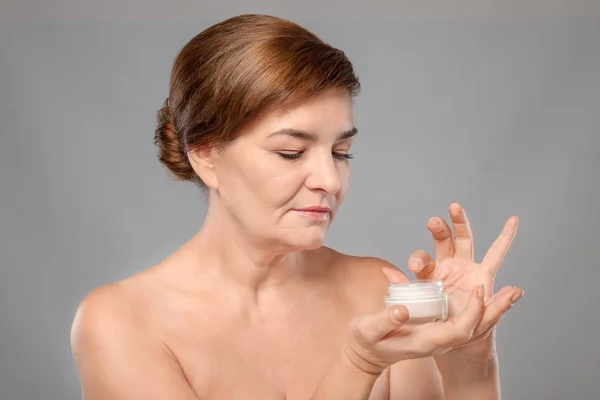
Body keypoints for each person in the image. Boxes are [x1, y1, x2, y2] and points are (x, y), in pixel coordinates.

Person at [70, 13, 524, 400]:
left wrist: (469, 355)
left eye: (341, 153)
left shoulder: (376, 290)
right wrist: (357, 363)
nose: (329, 180)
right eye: (291, 152)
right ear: (205, 155)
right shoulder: (122, 321)